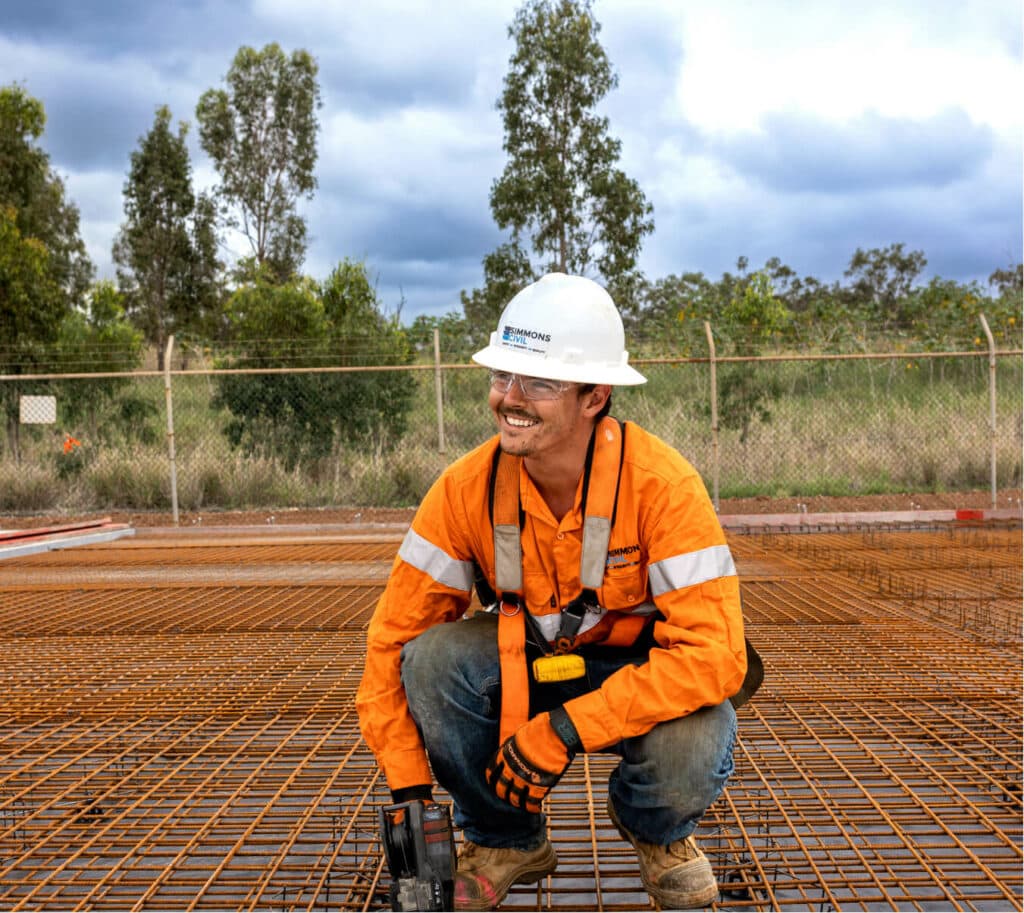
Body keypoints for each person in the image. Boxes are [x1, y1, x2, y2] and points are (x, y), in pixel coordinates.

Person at [357, 272, 756, 911]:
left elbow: (716, 656)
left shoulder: (663, 487)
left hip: (638, 667)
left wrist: (563, 731)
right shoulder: (465, 491)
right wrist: (410, 792)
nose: (509, 398)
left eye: (538, 382)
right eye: (501, 377)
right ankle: (506, 840)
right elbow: (391, 645)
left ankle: (658, 835)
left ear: (596, 395)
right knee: (430, 660)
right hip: (530, 664)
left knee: (697, 733)